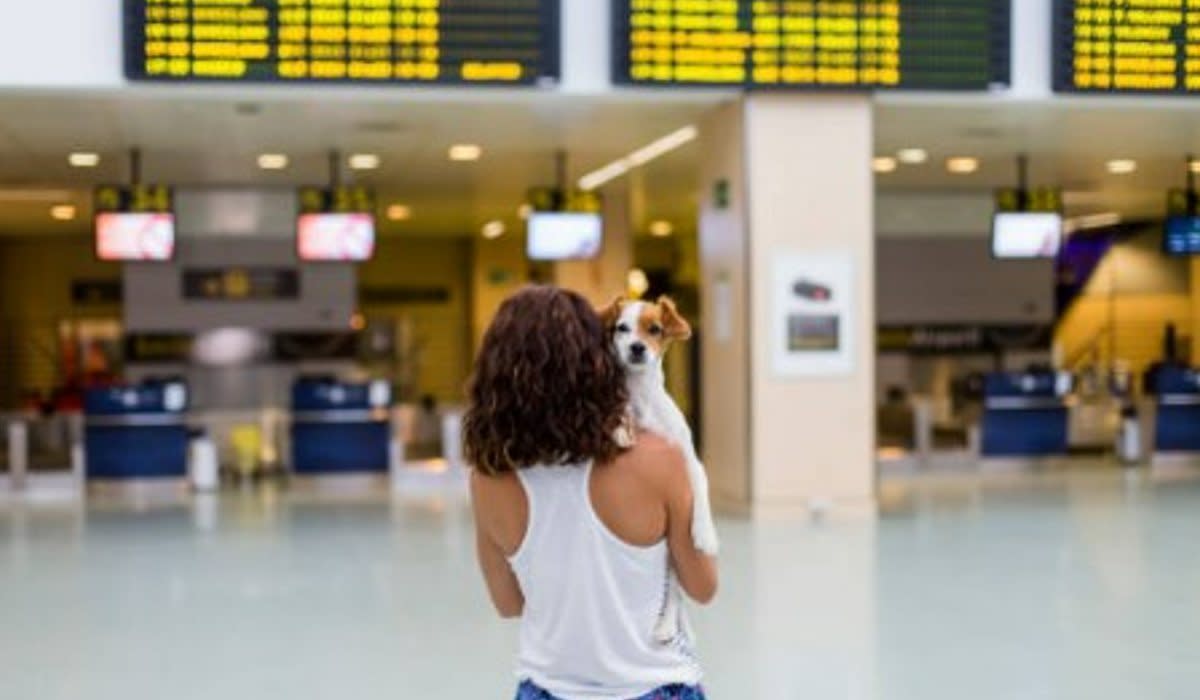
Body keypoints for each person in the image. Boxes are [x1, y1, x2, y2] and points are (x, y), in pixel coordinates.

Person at [465, 286, 718, 700]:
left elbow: (509, 603)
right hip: (654, 686)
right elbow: (704, 587)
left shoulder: (489, 478)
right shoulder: (660, 459)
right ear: (592, 360)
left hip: (548, 688)